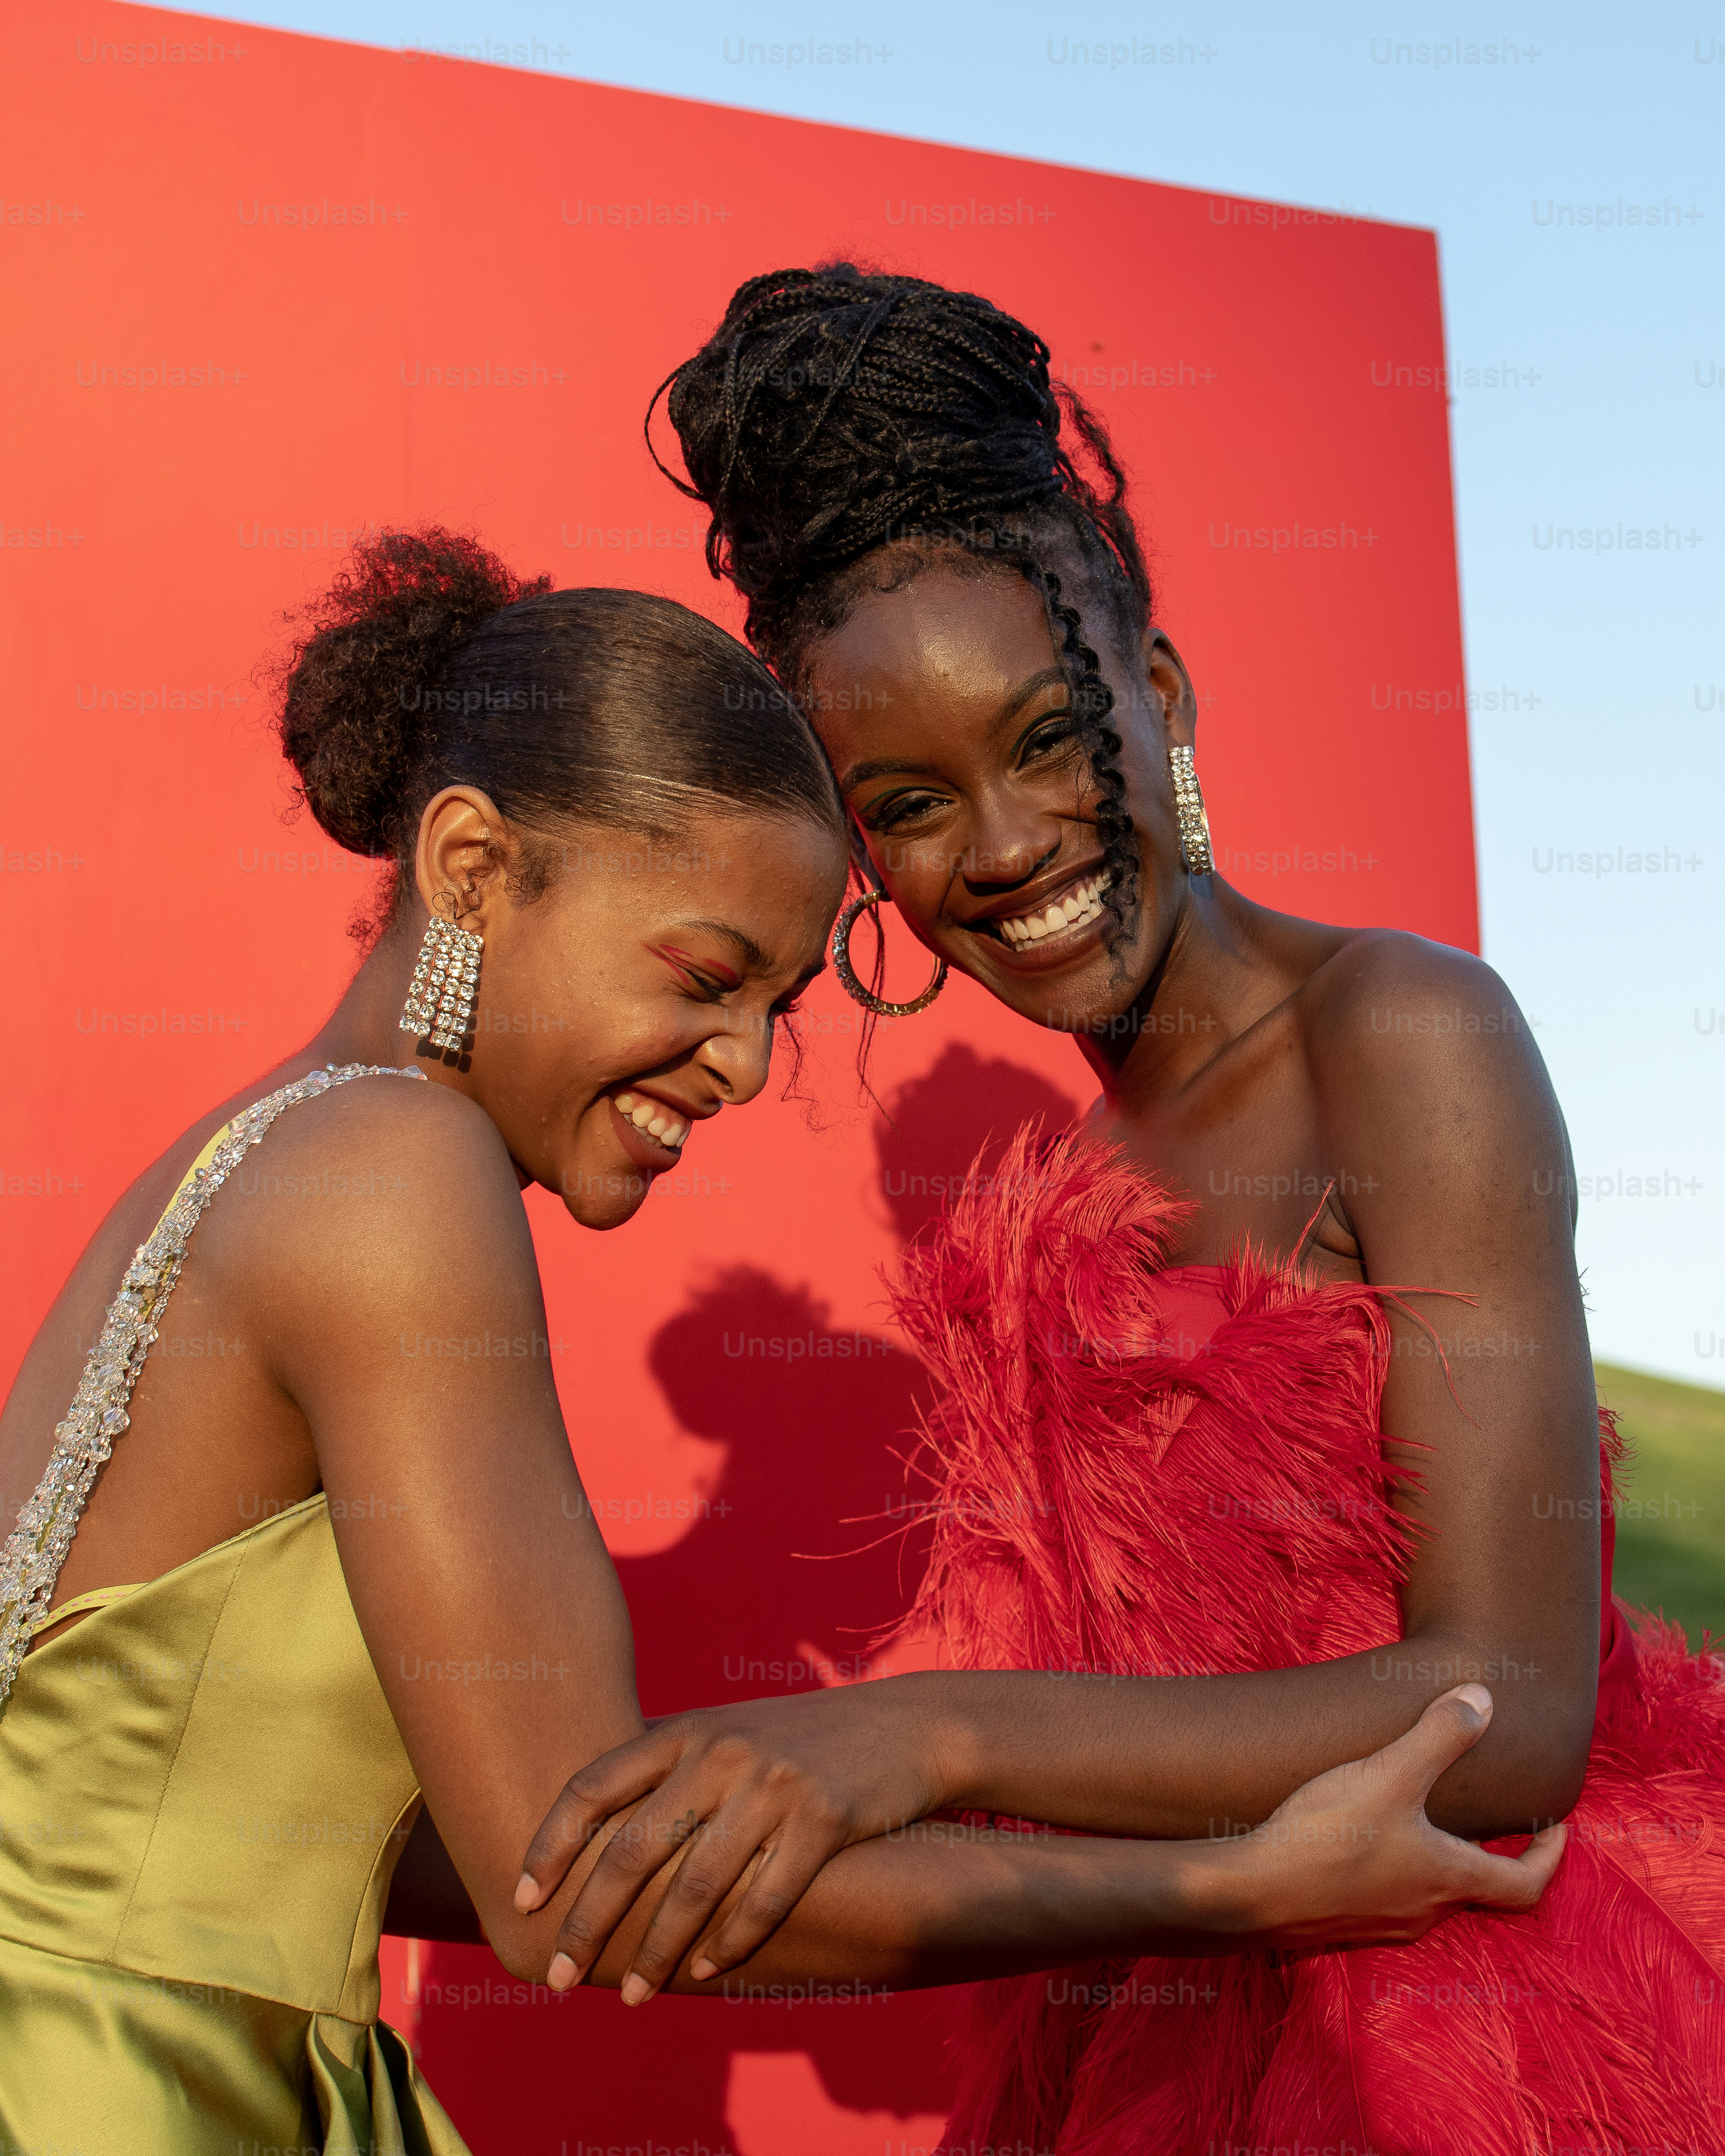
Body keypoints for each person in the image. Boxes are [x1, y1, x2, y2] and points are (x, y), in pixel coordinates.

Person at [0, 530, 1557, 2156]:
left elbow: (401, 1842)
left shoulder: (262, 1154)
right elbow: (572, 1898)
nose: (743, 1068)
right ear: (471, 871)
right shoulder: (401, 1175)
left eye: (782, 1005)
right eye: (705, 976)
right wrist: (1232, 1889)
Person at [516, 269, 1725, 2153]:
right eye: (906, 804)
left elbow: (1510, 1706)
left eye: (1045, 738)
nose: (999, 849)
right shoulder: (1033, 1230)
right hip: (1166, 2032)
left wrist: (925, 1736)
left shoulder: (1398, 1033)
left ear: (1150, 698)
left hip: (1457, 2035)